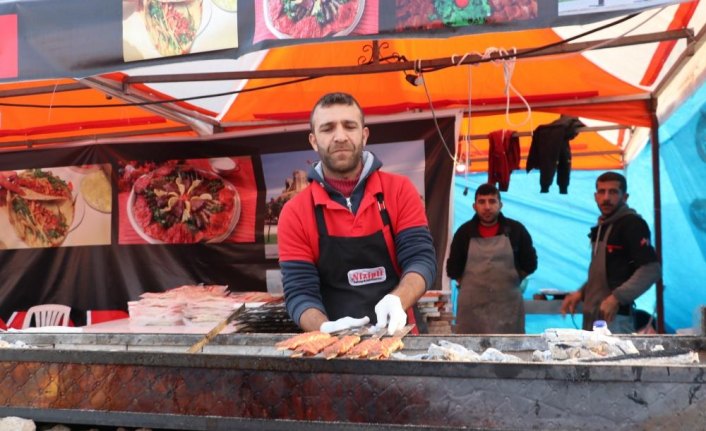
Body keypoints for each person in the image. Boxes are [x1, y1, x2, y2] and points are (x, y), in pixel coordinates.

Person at [278, 92, 437, 335]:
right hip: (331, 349)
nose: (340, 136)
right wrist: (324, 327)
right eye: (328, 128)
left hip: (400, 336)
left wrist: (398, 300)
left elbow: (421, 259)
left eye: (349, 126)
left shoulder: (399, 190)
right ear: (313, 140)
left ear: (364, 134)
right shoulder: (294, 212)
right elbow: (300, 292)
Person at [561, 171, 661, 333]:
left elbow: (651, 270)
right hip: (592, 316)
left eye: (613, 192)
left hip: (615, 319)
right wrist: (581, 292)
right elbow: (605, 272)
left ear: (625, 197)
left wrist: (616, 298)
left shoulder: (632, 224)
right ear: (595, 196)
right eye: (602, 192)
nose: (606, 197)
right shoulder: (602, 226)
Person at [446, 183, 537, 333]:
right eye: (482, 202)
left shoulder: (516, 230)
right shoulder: (464, 232)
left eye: (492, 201)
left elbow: (530, 263)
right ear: (474, 206)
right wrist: (471, 286)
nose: (487, 207)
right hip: (471, 310)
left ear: (500, 205)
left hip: (508, 307)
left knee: (511, 354)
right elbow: (453, 269)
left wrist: (514, 279)